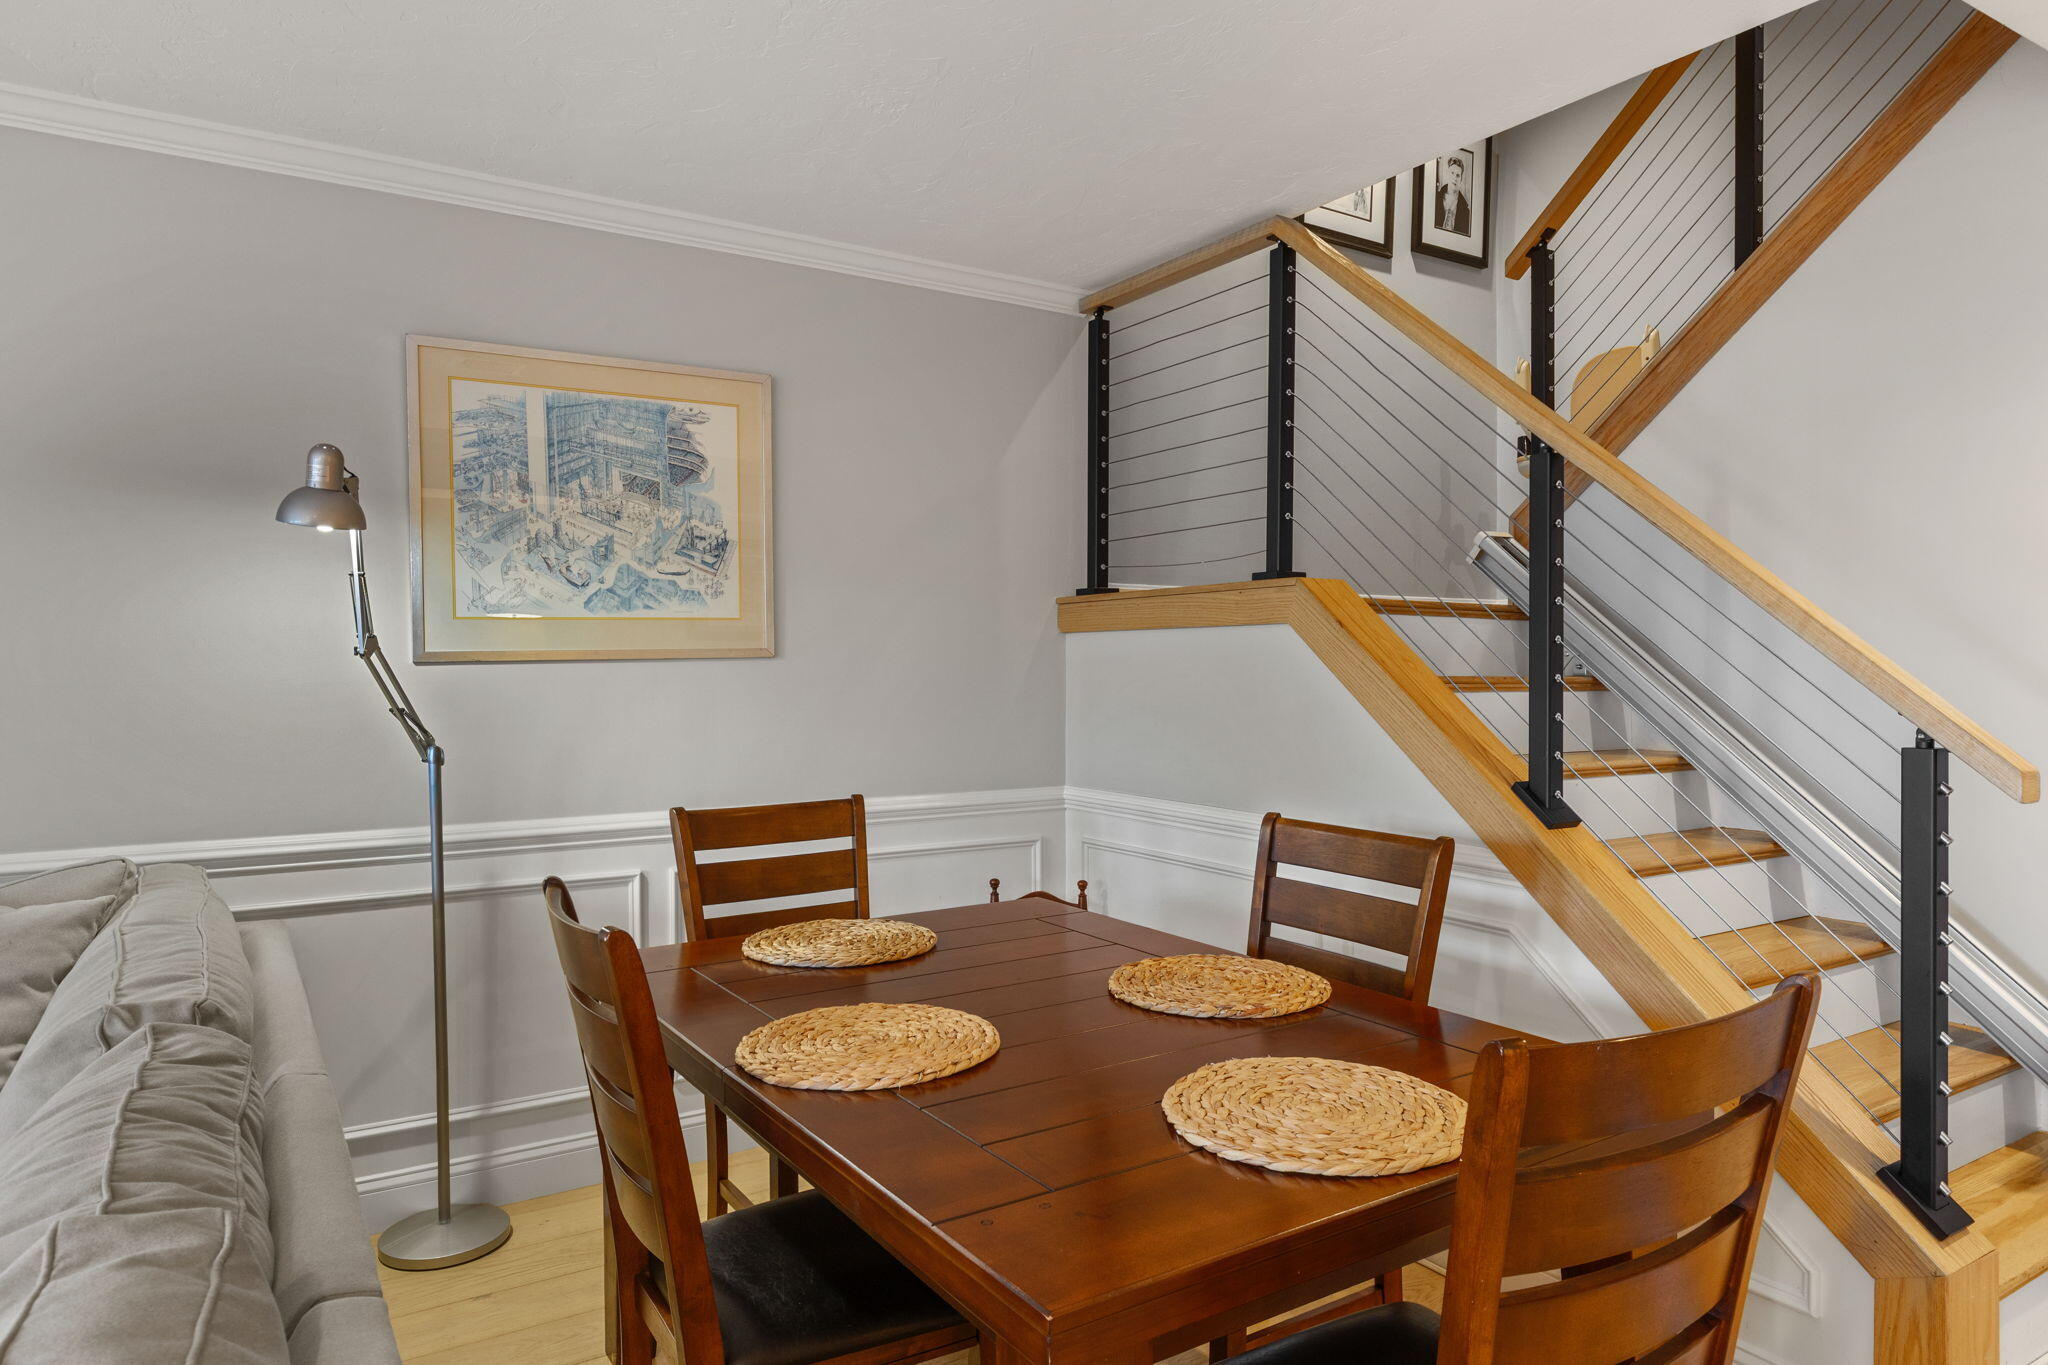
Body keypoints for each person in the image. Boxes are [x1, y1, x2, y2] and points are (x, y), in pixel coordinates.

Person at [1435, 152, 1472, 235]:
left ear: (1461, 179)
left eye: (1458, 175)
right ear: (1448, 174)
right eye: (1452, 173)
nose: (1455, 178)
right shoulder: (1435, 198)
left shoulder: (1465, 211)